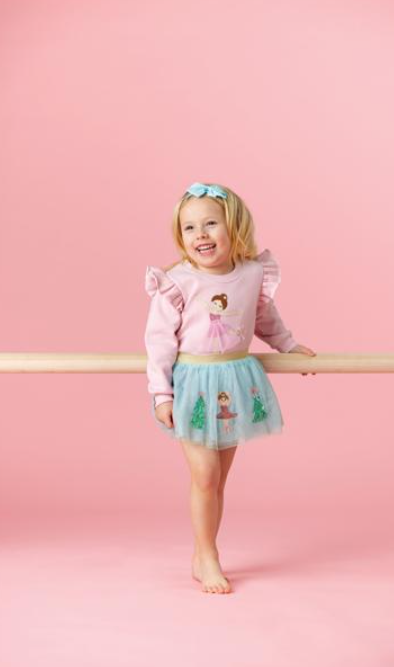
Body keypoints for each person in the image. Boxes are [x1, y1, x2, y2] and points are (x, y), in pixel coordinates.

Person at [144, 181, 316, 594]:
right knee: (204, 475)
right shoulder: (177, 281)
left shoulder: (251, 273)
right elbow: (159, 341)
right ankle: (208, 555)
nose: (200, 235)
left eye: (210, 224)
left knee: (217, 480)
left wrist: (288, 345)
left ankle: (203, 551)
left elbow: (264, 318)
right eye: (189, 228)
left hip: (235, 381)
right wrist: (162, 393)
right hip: (193, 383)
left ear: (234, 226)